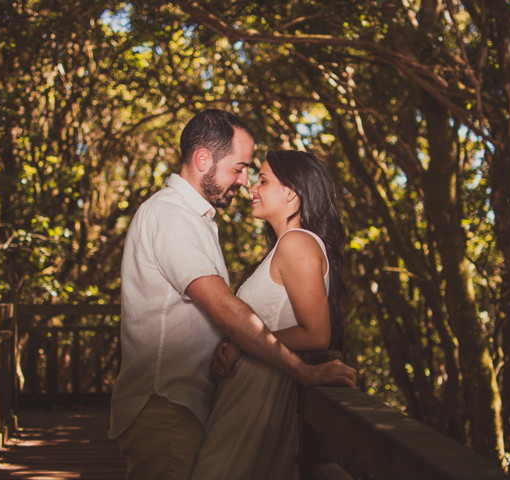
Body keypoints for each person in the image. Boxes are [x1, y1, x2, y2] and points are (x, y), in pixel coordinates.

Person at [107, 109, 356, 480]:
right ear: (203, 159)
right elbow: (222, 306)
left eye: (257, 176)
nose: (244, 182)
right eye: (240, 168)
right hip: (169, 402)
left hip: (198, 403)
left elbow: (299, 326)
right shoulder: (171, 215)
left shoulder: (201, 222)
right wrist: (302, 371)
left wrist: (239, 347)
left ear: (292, 194)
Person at [189, 150, 346, 480]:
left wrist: (242, 345)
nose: (251, 188)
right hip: (245, 391)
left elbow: (317, 334)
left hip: (260, 394)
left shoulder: (297, 243)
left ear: (291, 192)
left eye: (263, 180)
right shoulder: (284, 245)